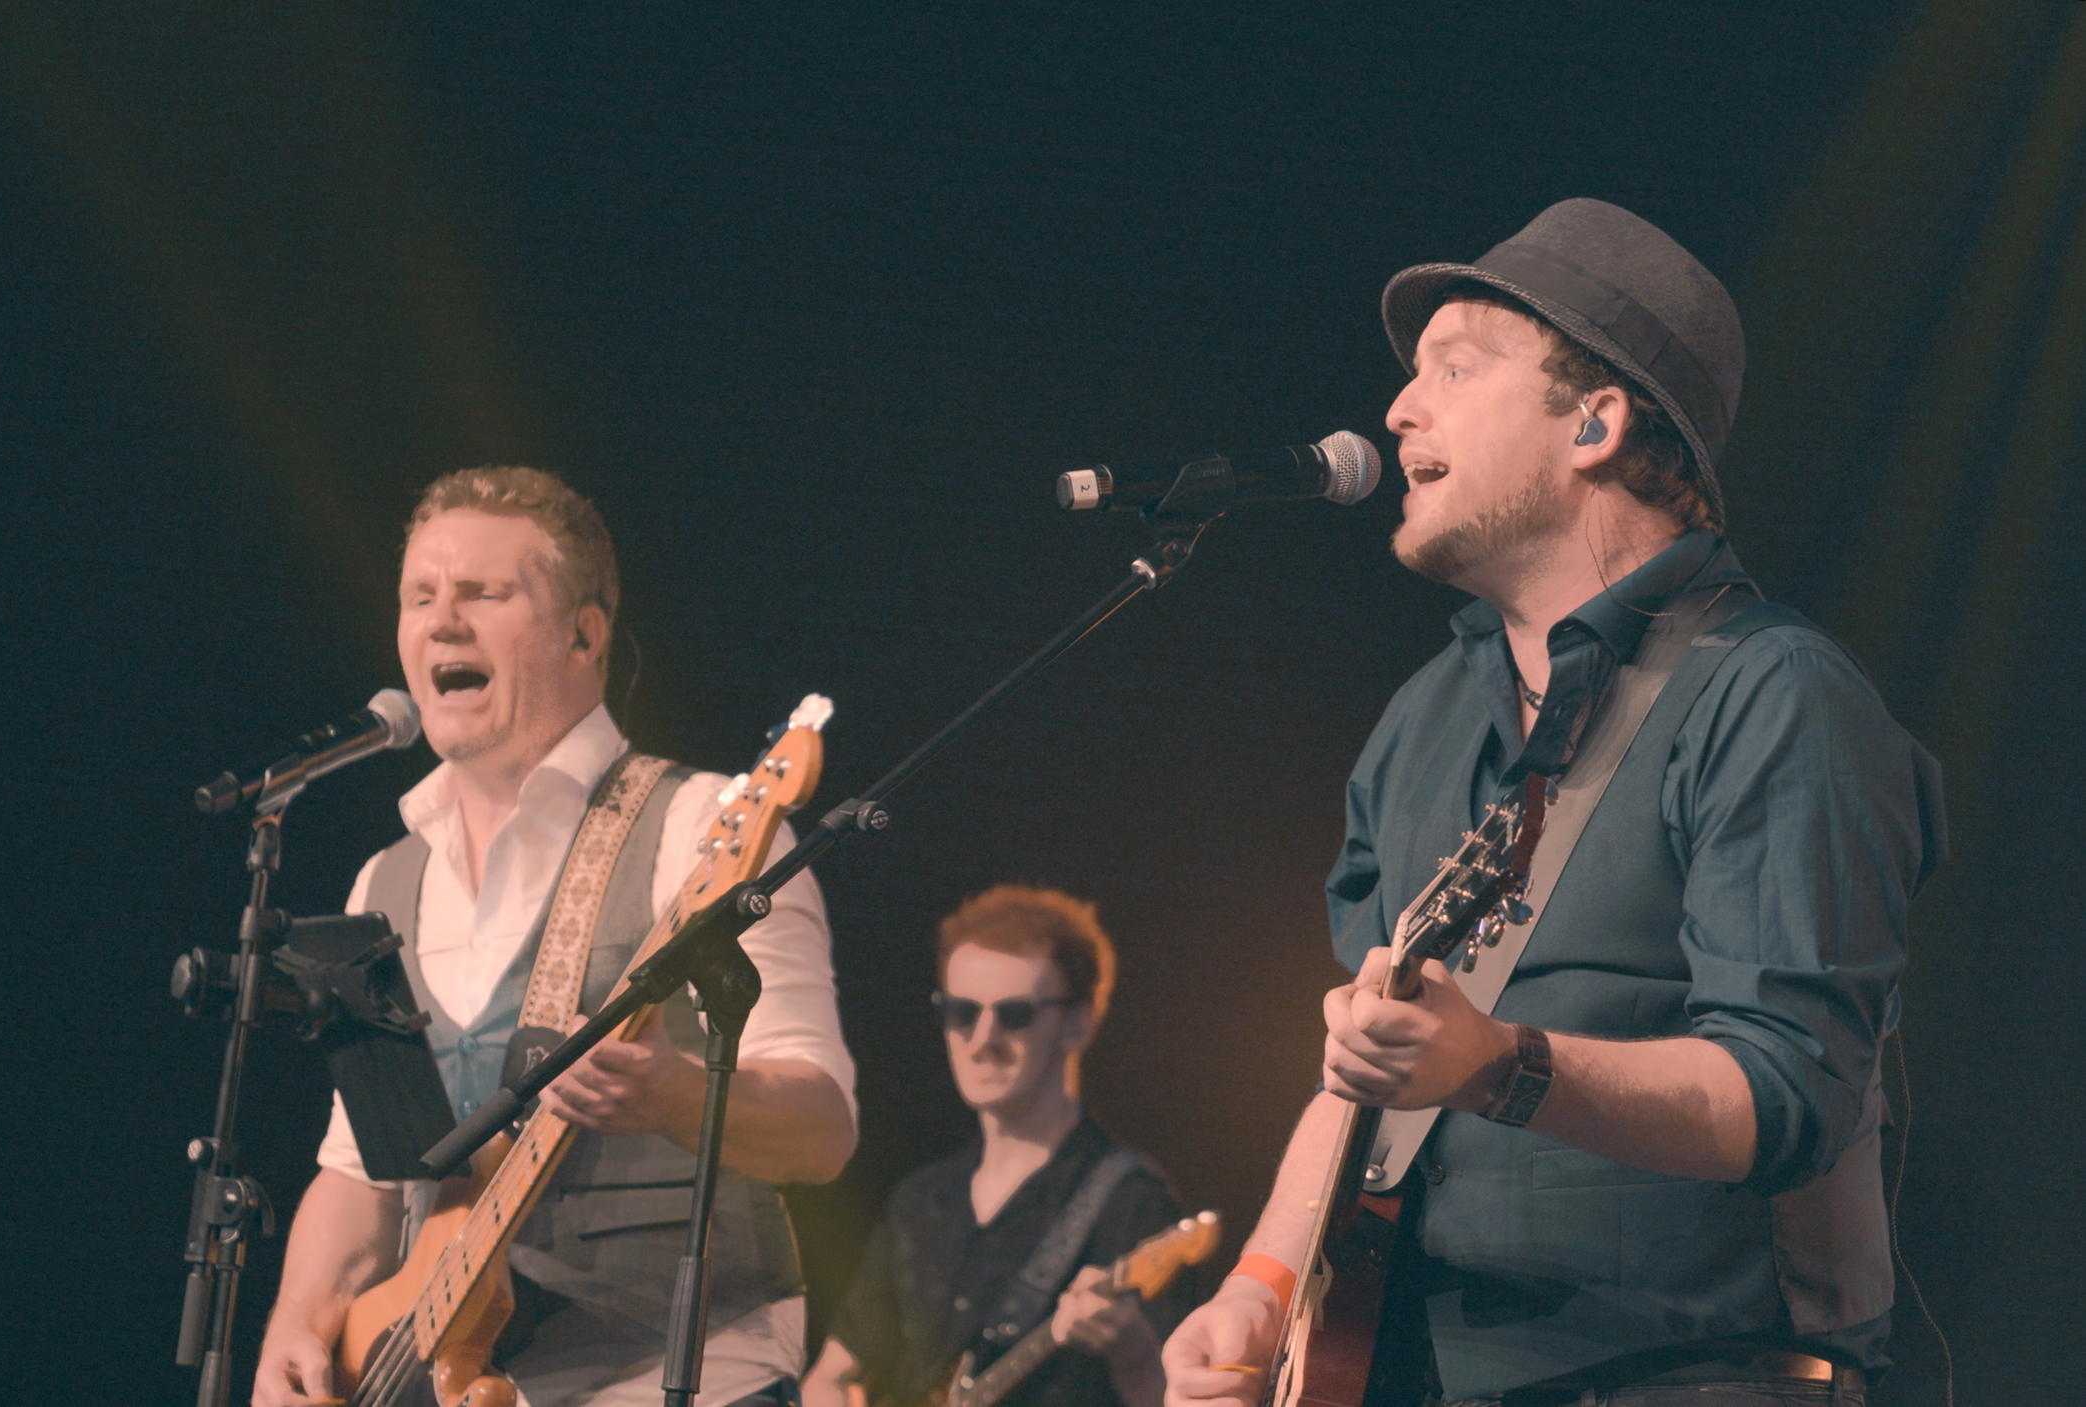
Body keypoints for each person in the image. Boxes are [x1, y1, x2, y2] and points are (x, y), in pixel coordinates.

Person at [1162, 200, 1945, 1407]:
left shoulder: (1776, 696)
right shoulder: (1425, 718)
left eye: (1453, 370)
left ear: (1595, 421)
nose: (1395, 409)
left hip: (1685, 1375)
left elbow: (1790, 1094)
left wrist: (1500, 1069)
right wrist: (1261, 1290)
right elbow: (1363, 1069)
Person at [252, 466, 859, 1407]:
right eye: (420, 596)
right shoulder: (388, 880)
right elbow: (358, 1171)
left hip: (672, 1375)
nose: (441, 621)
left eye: (483, 594)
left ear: (586, 631)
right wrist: (298, 1322)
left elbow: (822, 1130)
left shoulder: (705, 828)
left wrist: (675, 1094)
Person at [804, 885, 1204, 1407]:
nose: (980, 1038)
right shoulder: (919, 1200)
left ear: (1078, 1022)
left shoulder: (1132, 1204)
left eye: (1014, 1014)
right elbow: (830, 1378)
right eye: (961, 1012)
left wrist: (1133, 1354)